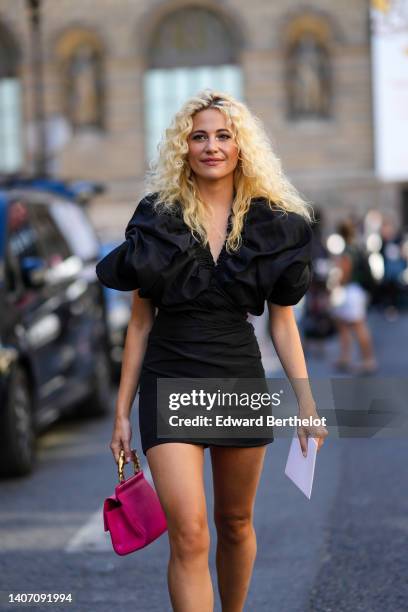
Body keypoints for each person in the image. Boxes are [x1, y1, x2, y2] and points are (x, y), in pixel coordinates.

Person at [96, 89, 328, 612]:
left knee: (236, 523)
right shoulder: (157, 216)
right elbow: (139, 323)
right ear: (184, 147)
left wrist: (308, 407)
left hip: (237, 377)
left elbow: (283, 325)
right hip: (169, 378)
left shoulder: (275, 222)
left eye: (223, 136)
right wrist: (120, 416)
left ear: (241, 146)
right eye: (199, 136)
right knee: (192, 535)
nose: (211, 146)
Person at [330, 219, 378, 374]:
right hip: (356, 291)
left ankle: (368, 360)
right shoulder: (357, 247)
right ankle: (346, 357)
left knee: (358, 325)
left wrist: (337, 285)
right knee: (344, 324)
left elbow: (345, 271)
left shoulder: (348, 251)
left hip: (351, 291)